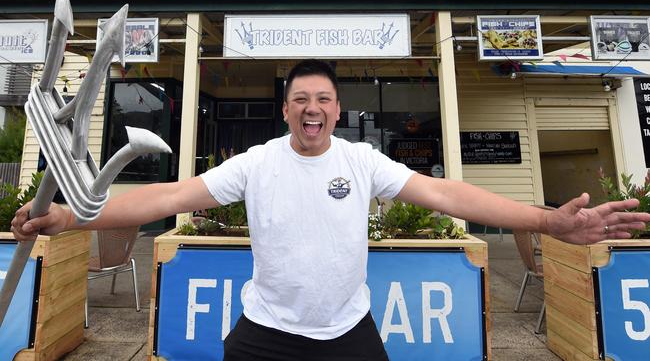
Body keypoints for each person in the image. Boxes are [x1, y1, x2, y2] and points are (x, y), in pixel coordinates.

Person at [11, 59, 650, 361]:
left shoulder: (361, 162)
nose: (312, 108)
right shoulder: (256, 163)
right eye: (300, 100)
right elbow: (167, 198)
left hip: (350, 337)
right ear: (284, 110)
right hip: (264, 338)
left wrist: (546, 220)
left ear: (337, 112)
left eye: (323, 99)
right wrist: (72, 217)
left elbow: (448, 194)